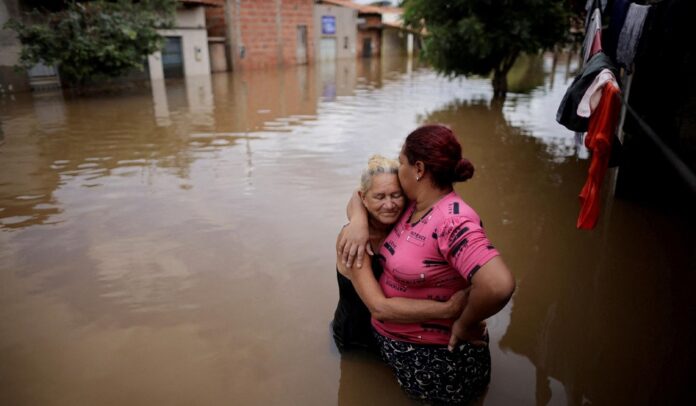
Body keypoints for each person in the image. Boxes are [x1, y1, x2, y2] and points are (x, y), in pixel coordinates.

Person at [339, 125, 515, 405]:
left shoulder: (451, 220)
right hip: (401, 354)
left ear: (418, 169)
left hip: (438, 364)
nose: (398, 170)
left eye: (402, 162)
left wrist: (463, 322)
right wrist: (358, 220)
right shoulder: (413, 203)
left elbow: (497, 285)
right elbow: (365, 192)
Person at [332, 155, 468, 353]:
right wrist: (449, 309)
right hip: (357, 338)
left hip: (400, 336)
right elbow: (379, 308)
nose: (389, 205)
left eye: (396, 195)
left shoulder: (404, 220)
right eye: (379, 197)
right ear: (365, 199)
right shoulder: (353, 241)